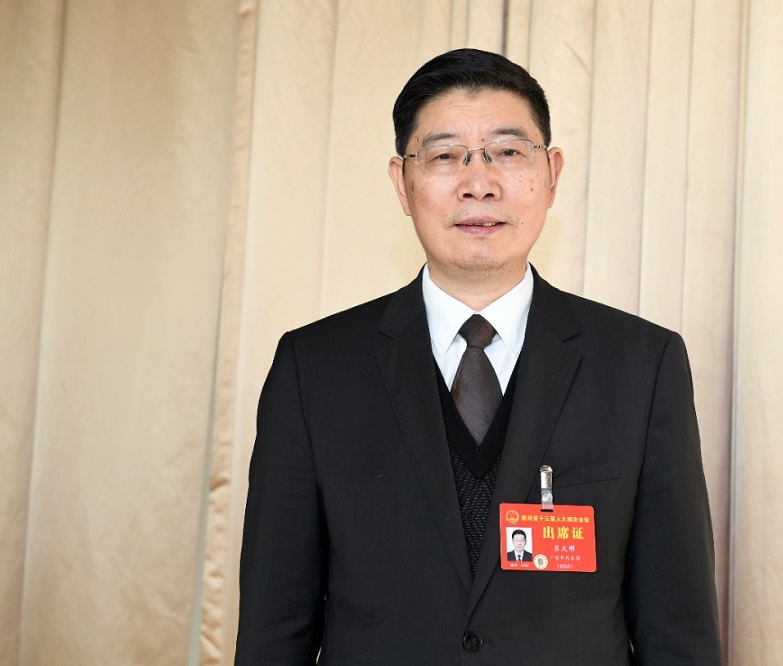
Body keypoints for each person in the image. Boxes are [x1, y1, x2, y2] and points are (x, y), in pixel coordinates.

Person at [236, 48, 721, 663]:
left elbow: (679, 630)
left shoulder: (642, 366)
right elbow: (274, 629)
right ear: (402, 183)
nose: (479, 182)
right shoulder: (314, 368)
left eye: (508, 152)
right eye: (445, 156)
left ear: (552, 174)